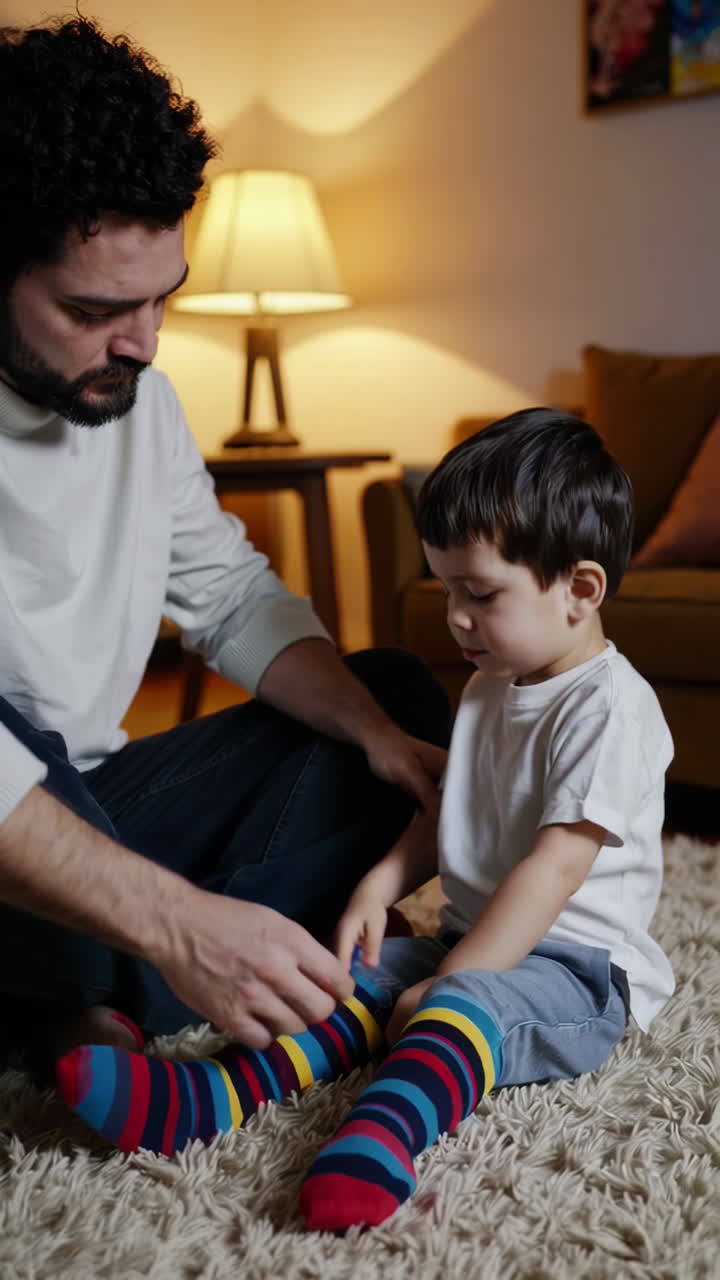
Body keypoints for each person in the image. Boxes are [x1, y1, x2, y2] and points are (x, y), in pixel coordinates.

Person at [57, 408, 675, 1232]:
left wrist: (458, 980)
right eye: (447, 589)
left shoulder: (610, 711)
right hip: (474, 936)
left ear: (581, 589)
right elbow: (450, 807)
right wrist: (381, 885)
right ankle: (207, 1095)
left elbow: (553, 870)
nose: (456, 618)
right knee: (355, 983)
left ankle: (383, 1132)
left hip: (577, 969)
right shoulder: (495, 680)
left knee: (458, 1013)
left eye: (481, 594)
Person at [0, 16, 451, 1074]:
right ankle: (103, 979)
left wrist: (375, 730)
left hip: (88, 819)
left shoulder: (137, 400)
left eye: (166, 297)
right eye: (95, 308)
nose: (146, 344)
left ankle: (66, 992)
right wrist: (179, 926)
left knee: (393, 700)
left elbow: (232, 598)